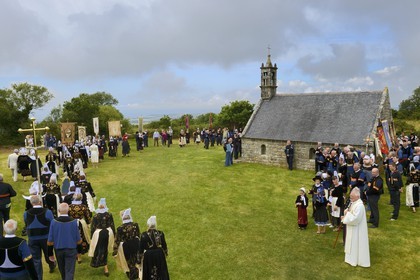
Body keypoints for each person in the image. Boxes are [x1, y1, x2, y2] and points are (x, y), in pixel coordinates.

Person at [24, 195, 56, 279]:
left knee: (36, 260)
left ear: (31, 203)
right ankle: (52, 264)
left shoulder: (26, 213)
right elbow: (53, 224)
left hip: (32, 239)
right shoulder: (47, 212)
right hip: (46, 238)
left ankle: (38, 277)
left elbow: (26, 223)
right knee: (48, 254)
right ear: (40, 202)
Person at [47, 203, 82, 280]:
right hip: (71, 249)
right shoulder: (73, 222)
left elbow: (50, 239)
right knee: (69, 271)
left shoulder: (53, 222)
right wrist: (79, 250)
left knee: (62, 270)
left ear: (59, 211)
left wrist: (50, 253)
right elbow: (78, 239)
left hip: (58, 250)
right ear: (68, 210)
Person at [342, 187, 370, 267]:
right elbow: (348, 210)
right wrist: (345, 213)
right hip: (352, 228)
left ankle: (355, 260)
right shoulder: (353, 202)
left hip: (357, 229)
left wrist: (346, 215)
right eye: (350, 197)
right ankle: (349, 259)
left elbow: (356, 219)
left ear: (358, 197)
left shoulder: (360, 206)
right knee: (350, 243)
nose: (351, 199)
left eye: (352, 197)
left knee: (355, 244)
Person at [89, 198, 115, 277]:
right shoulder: (109, 214)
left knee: (99, 248)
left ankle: (103, 265)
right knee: (105, 249)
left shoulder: (96, 216)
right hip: (108, 233)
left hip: (98, 234)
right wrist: (114, 235)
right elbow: (112, 225)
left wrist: (91, 237)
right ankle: (105, 267)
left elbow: (93, 228)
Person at [113, 208, 141, 280]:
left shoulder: (120, 228)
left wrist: (115, 252)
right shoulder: (135, 225)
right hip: (136, 243)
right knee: (137, 261)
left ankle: (133, 277)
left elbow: (117, 240)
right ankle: (139, 276)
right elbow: (139, 235)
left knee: (130, 263)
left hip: (127, 246)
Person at [139, 216, 169, 280]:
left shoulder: (143, 235)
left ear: (148, 224)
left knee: (149, 271)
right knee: (160, 270)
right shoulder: (160, 233)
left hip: (148, 256)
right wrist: (165, 254)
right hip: (159, 254)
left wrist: (139, 260)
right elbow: (164, 246)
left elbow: (141, 249)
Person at [68, 191, 91, 263]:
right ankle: (80, 254)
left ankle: (76, 255)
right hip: (81, 224)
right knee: (81, 238)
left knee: (73, 238)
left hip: (71, 224)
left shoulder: (69, 207)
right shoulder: (83, 207)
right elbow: (87, 217)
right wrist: (88, 224)